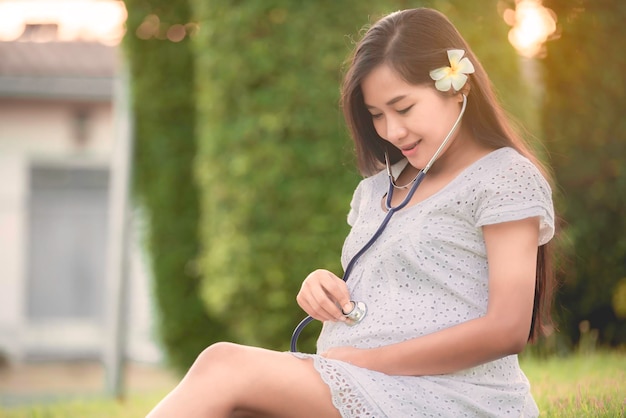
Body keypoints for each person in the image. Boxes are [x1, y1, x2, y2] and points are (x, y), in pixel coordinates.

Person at [146, 7, 555, 418]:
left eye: (404, 108)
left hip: (447, 394)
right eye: (377, 115)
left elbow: (506, 328)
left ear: (456, 86)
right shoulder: (377, 189)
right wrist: (322, 286)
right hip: (361, 383)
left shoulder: (503, 177)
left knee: (224, 365)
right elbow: (389, 286)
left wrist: (361, 362)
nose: (392, 131)